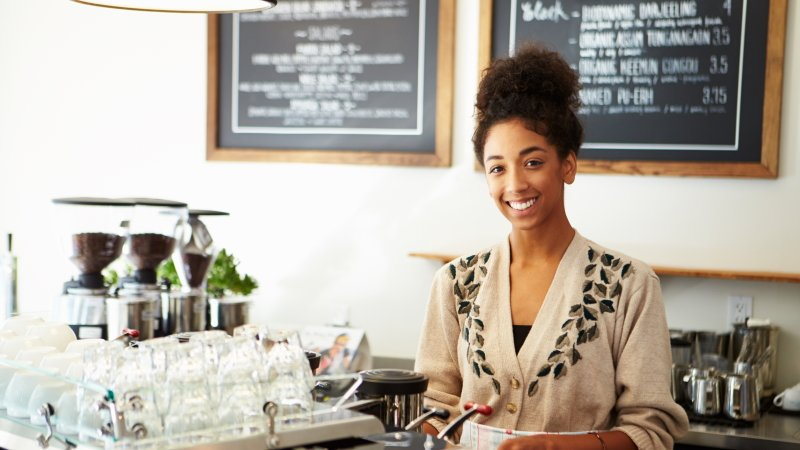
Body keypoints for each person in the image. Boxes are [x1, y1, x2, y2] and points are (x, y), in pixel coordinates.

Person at [414, 44, 689, 450]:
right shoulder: (455, 282)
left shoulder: (628, 285)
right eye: (497, 168)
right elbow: (431, 407)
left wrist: (552, 447)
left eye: (533, 162)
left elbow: (649, 431)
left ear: (567, 165)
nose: (514, 184)